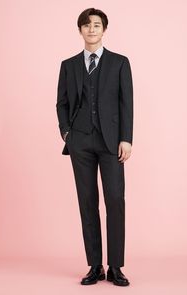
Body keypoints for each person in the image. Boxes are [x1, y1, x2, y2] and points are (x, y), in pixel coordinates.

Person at [56, 7, 133, 287]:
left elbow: (127, 103)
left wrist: (126, 138)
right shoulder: (69, 65)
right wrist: (67, 133)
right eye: (86, 25)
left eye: (97, 25)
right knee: (87, 202)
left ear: (104, 29)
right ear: (80, 30)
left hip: (111, 142)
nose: (91, 29)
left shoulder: (120, 63)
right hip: (80, 142)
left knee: (115, 200)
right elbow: (62, 102)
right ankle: (95, 265)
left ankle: (116, 267)